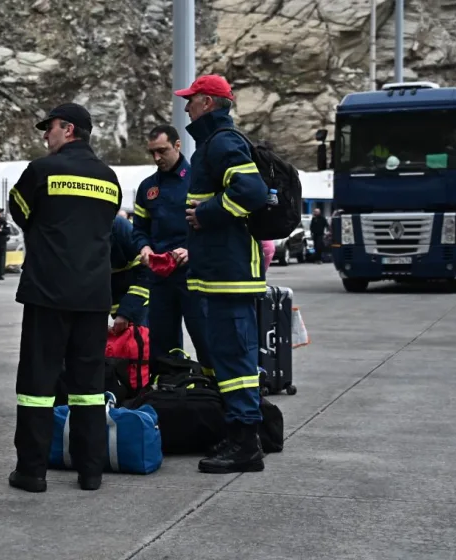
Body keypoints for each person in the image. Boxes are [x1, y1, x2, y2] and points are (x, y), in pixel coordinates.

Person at [8, 102, 122, 493]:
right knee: (89, 387)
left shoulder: (42, 170)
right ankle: (90, 472)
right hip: (93, 296)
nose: (46, 135)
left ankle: (32, 472)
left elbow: (20, 212)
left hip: (48, 292)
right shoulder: (109, 178)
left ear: (69, 129)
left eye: (50, 127)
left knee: (37, 385)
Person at [178, 74, 268, 474]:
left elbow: (252, 191)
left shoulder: (222, 143)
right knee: (228, 360)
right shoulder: (212, 144)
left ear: (208, 104)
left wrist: (206, 213)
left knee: (235, 361)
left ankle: (246, 444)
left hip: (230, 274)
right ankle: (239, 435)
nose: (186, 107)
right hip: (218, 273)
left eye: (191, 100)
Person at [132, 125, 212, 373]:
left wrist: (191, 250)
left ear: (177, 145)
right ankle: (168, 388)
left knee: (205, 338)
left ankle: (215, 388)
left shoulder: (199, 180)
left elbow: (215, 226)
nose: (157, 158)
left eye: (162, 151)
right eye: (152, 152)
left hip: (194, 275)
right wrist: (144, 247)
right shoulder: (147, 188)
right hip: (160, 278)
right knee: (161, 345)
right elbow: (139, 229)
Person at [110, 214, 149, 330]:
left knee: (141, 337)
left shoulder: (119, 227)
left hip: (139, 301)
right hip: (114, 304)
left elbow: (146, 271)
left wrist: (126, 313)